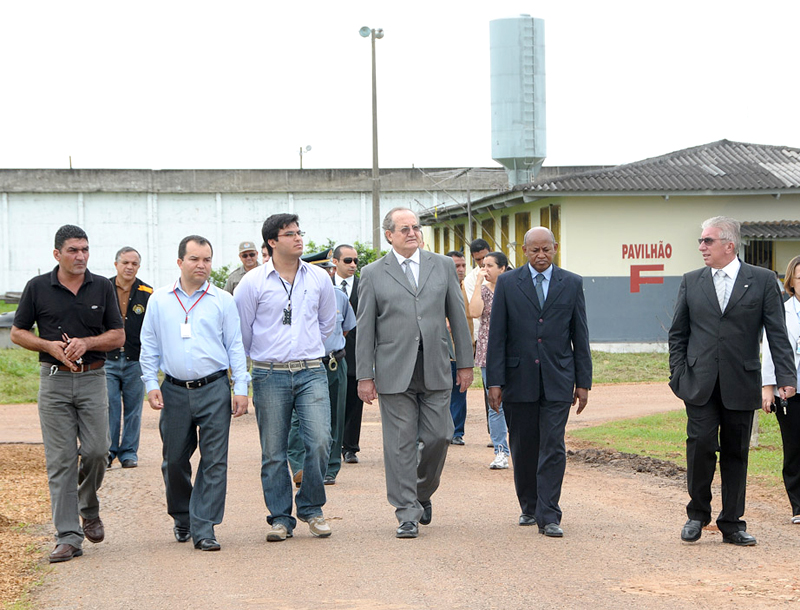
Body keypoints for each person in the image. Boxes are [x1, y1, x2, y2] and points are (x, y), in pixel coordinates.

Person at [669, 216, 796, 547]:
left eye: (707, 241)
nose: (701, 246)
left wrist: (785, 377)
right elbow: (678, 333)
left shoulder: (762, 280)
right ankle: (697, 515)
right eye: (700, 240)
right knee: (700, 446)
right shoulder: (691, 281)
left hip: (741, 381)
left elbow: (777, 334)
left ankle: (732, 523)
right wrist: (677, 374)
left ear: (729, 244)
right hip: (699, 383)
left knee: (736, 452)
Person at [356, 207, 474, 539]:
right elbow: (365, 328)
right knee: (400, 444)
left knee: (440, 435)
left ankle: (421, 492)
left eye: (416, 227)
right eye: (404, 229)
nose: (412, 233)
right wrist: (365, 375)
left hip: (436, 364)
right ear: (389, 235)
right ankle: (407, 512)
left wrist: (465, 364)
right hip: (394, 370)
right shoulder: (373, 273)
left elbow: (458, 316)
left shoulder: (443, 265)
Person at [11, 224, 125, 563]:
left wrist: (86, 343)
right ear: (57, 253)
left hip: (93, 378)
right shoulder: (37, 287)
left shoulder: (102, 286)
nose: (80, 256)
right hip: (54, 382)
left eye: (85, 249)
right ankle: (68, 536)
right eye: (73, 250)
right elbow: (17, 332)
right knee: (60, 461)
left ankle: (87, 505)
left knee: (97, 451)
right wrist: (48, 346)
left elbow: (118, 335)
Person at [139, 235, 249, 552]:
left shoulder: (222, 300)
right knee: (174, 460)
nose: (202, 265)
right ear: (180, 262)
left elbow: (235, 345)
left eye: (207, 259)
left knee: (214, 461)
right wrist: (151, 383)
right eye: (194, 259)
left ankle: (205, 527)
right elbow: (149, 344)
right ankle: (182, 515)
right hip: (174, 390)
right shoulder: (159, 300)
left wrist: (240, 387)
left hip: (214, 388)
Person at [234, 214, 337, 542]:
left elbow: (327, 322)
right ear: (272, 242)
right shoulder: (252, 282)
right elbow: (242, 332)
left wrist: (307, 346)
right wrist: (260, 361)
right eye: (289, 234)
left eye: (298, 232)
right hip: (269, 374)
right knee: (274, 451)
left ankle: (311, 507)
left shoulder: (318, 277)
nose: (298, 238)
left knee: (320, 440)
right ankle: (280, 518)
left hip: (311, 370)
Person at [486, 226, 591, 538]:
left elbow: (580, 335)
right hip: (518, 379)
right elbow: (497, 335)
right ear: (524, 251)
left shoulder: (571, 283)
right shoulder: (508, 283)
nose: (541, 255)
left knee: (553, 445)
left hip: (558, 378)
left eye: (547, 249)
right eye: (535, 250)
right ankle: (529, 505)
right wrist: (495, 382)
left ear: (555, 248)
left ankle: (549, 514)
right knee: (524, 445)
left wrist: (583, 381)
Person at [287, 252, 356, 486]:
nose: (327, 275)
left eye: (328, 270)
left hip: (333, 363)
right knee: (298, 418)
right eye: (321, 271)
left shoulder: (339, 296)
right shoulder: (291, 296)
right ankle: (299, 466)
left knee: (335, 416)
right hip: (303, 365)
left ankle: (329, 468)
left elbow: (345, 329)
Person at [762, 255, 800, 524]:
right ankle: (798, 506)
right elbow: (769, 351)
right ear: (791, 282)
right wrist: (768, 388)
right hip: (790, 391)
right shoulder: (781, 312)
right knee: (794, 448)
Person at [106, 246, 152, 469]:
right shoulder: (103, 288)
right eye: (125, 263)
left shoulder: (147, 293)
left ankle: (129, 453)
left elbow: (153, 329)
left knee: (134, 409)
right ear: (116, 265)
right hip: (108, 359)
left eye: (134, 263)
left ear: (139, 266)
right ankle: (108, 450)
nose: (129, 267)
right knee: (110, 405)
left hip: (135, 359)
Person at [469, 251, 511, 469]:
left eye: (490, 266)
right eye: (482, 266)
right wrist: (478, 283)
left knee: (517, 401)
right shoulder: (484, 290)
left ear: (502, 268)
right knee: (495, 404)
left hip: (514, 350)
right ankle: (500, 450)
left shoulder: (513, 289)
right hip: (489, 351)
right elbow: (474, 312)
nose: (485, 270)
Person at [331, 244, 363, 464]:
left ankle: (350, 446)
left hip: (357, 350)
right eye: (348, 261)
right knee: (332, 401)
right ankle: (332, 444)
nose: (353, 265)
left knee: (354, 399)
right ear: (335, 262)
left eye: (355, 261)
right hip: (332, 353)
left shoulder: (363, 286)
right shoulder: (324, 285)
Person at [445, 250, 473, 446]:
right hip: (444, 351)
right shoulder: (441, 287)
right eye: (457, 266)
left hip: (462, 351)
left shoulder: (466, 287)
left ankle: (457, 431)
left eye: (463, 265)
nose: (461, 269)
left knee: (460, 391)